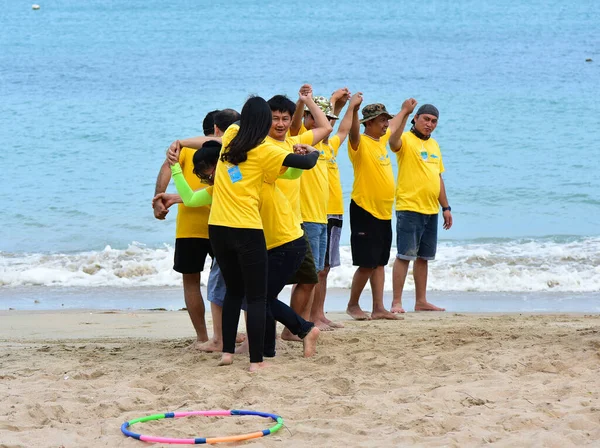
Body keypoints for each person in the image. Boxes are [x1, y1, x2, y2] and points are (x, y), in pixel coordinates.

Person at [164, 134, 321, 360]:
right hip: (266, 246)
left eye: (211, 172)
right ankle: (269, 348)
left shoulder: (252, 174)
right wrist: (175, 168)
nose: (210, 179)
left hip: (287, 242)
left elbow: (293, 172)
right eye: (206, 177)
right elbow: (189, 199)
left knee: (258, 297)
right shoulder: (219, 191)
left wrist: (306, 154)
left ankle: (305, 329)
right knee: (258, 297)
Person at [206, 96, 320, 372]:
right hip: (247, 228)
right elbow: (305, 164)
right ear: (266, 122)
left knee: (234, 292)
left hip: (218, 227)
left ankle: (227, 354)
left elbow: (234, 124)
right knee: (256, 298)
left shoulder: (232, 134)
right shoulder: (266, 150)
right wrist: (313, 152)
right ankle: (256, 361)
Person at [152, 110, 238, 349]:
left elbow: (167, 168)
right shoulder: (231, 149)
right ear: (220, 129)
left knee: (192, 281)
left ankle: (204, 336)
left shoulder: (187, 148)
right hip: (222, 224)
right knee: (230, 282)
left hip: (196, 224)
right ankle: (224, 333)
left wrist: (158, 198)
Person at [266, 87, 332, 340]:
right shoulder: (263, 146)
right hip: (270, 226)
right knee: (265, 289)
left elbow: (325, 128)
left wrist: (306, 101)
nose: (281, 124)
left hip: (296, 225)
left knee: (309, 278)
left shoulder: (295, 142)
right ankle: (259, 336)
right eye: (275, 118)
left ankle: (290, 330)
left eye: (285, 118)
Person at [289, 88, 356, 330]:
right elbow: (301, 123)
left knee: (320, 270)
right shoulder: (300, 140)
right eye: (320, 117)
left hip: (326, 214)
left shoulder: (327, 147)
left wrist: (349, 107)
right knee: (308, 274)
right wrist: (303, 101)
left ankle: (313, 317)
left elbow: (341, 128)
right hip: (307, 216)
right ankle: (303, 321)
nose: (326, 123)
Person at [345, 95, 416, 321]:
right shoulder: (359, 143)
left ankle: (378, 308)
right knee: (366, 264)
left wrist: (405, 111)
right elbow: (353, 131)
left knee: (379, 263)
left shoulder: (382, 140)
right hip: (364, 209)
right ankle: (353, 304)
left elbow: (394, 126)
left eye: (386, 120)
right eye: (381, 121)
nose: (386, 124)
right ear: (369, 123)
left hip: (384, 212)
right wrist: (354, 110)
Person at [389, 104, 452, 313]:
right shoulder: (406, 139)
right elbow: (392, 141)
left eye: (433, 121)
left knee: (424, 257)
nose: (429, 124)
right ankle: (396, 301)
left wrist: (446, 207)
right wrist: (405, 113)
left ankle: (421, 301)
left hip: (430, 209)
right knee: (405, 255)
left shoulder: (434, 145)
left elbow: (438, 177)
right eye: (426, 119)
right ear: (416, 119)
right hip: (409, 206)